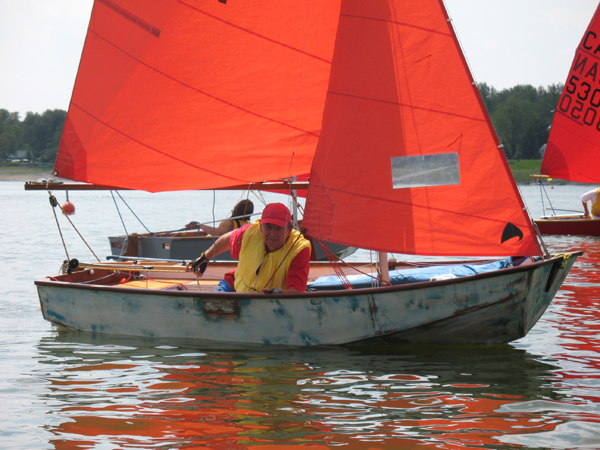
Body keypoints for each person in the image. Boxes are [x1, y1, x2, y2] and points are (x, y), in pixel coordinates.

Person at [191, 203, 311, 294]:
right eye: (268, 227)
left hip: (269, 300)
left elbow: (296, 291)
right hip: (232, 287)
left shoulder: (299, 249)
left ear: (289, 230)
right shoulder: (251, 232)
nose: (273, 234)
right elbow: (228, 239)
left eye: (279, 228)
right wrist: (205, 258)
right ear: (261, 227)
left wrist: (279, 295)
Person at [185, 199, 254, 236]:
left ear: (236, 208)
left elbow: (216, 232)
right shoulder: (249, 225)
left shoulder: (230, 222)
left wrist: (200, 225)